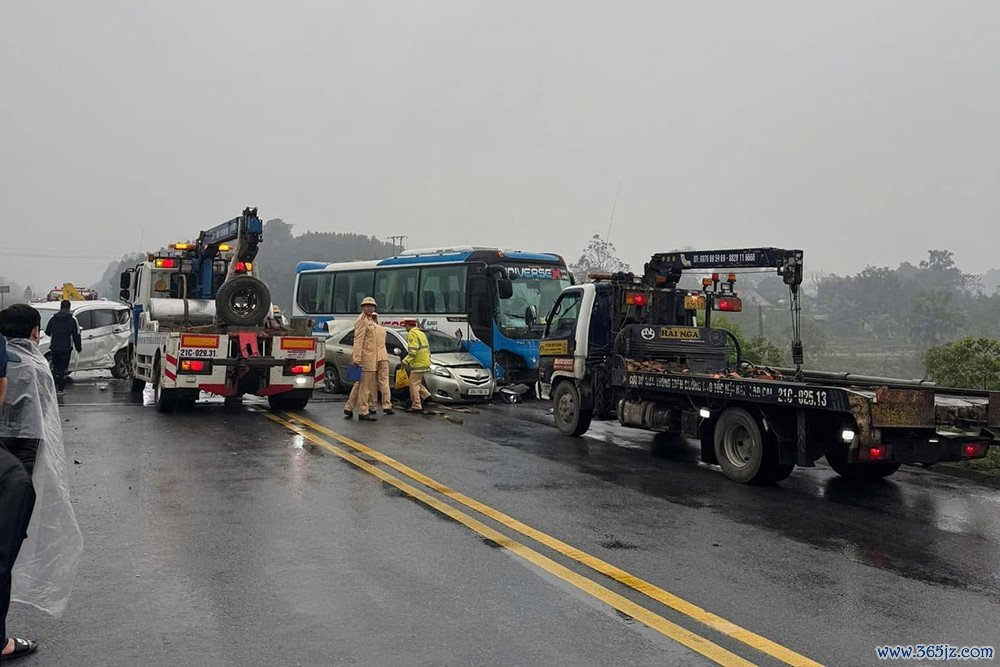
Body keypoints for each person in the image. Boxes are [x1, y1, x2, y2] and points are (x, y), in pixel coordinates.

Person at [0, 304, 84, 660]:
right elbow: (45, 422)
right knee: (5, 548)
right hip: (18, 459)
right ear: (35, 332)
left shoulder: (6, 358)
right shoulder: (36, 367)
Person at [343, 297, 379, 422]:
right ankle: (363, 411)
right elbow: (358, 340)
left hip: (370, 357)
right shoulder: (362, 320)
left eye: (372, 306)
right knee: (365, 386)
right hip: (365, 358)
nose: (370, 308)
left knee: (359, 385)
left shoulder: (370, 320)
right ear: (362, 307)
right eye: (367, 306)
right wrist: (357, 359)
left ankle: (349, 407)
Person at [42, 301, 81, 394]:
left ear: (60, 307)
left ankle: (53, 388)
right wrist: (78, 347)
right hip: (66, 348)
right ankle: (60, 389)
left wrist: (55, 334)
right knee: (64, 368)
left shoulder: (53, 318)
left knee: (55, 367)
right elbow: (76, 335)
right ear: (69, 308)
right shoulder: (72, 319)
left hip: (55, 347)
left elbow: (47, 331)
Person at [402, 319, 431, 412]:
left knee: (413, 384)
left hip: (418, 363)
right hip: (425, 362)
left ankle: (416, 405)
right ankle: (426, 396)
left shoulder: (412, 334)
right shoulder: (421, 333)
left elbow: (413, 351)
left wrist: (405, 361)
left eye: (405, 325)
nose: (405, 327)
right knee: (417, 382)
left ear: (409, 325)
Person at [370, 315, 394, 416]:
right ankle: (387, 405)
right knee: (384, 382)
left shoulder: (369, 329)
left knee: (372, 383)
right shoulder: (383, 329)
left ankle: (372, 406)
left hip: (372, 358)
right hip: (384, 358)